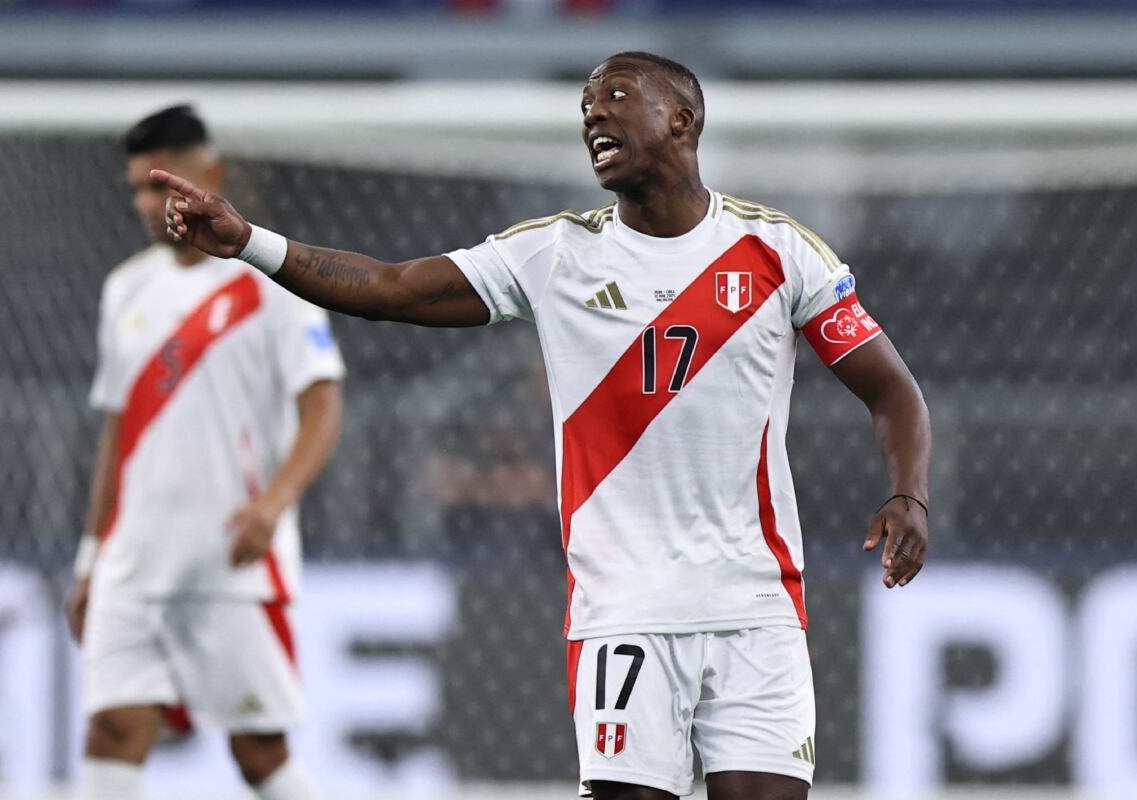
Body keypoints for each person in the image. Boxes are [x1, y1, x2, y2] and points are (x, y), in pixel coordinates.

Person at [155, 52, 931, 800]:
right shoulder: (556, 253)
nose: (595, 112)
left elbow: (892, 389)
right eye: (587, 104)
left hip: (758, 609)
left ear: (684, 118)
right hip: (625, 612)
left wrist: (910, 494)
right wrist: (250, 243)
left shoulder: (777, 251)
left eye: (619, 95)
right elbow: (393, 288)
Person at [66, 105, 345, 800]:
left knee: (258, 751)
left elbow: (323, 409)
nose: (147, 204)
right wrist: (91, 555)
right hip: (133, 562)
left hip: (230, 561)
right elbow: (117, 433)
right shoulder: (125, 287)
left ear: (211, 176)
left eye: (162, 186)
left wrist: (273, 504)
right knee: (112, 732)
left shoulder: (274, 280)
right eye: (137, 189)